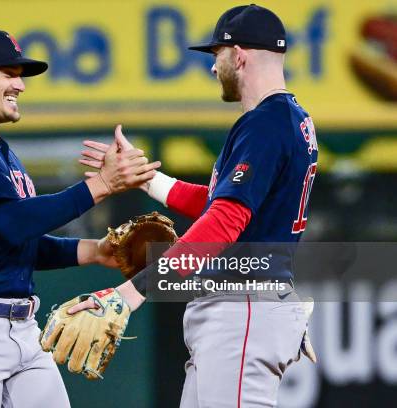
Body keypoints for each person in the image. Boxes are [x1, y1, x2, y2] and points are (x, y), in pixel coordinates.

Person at [72, 5, 319, 407]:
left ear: (239, 55)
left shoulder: (265, 123)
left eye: (217, 55)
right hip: (244, 308)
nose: (212, 67)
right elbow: (225, 203)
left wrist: (131, 293)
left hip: (245, 310)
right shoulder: (288, 119)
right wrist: (149, 179)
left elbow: (224, 223)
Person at [0, 29, 160, 408]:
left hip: (22, 330)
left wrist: (93, 251)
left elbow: (13, 240)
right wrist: (102, 184)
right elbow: (14, 222)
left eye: (19, 75)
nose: (19, 85)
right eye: (7, 72)